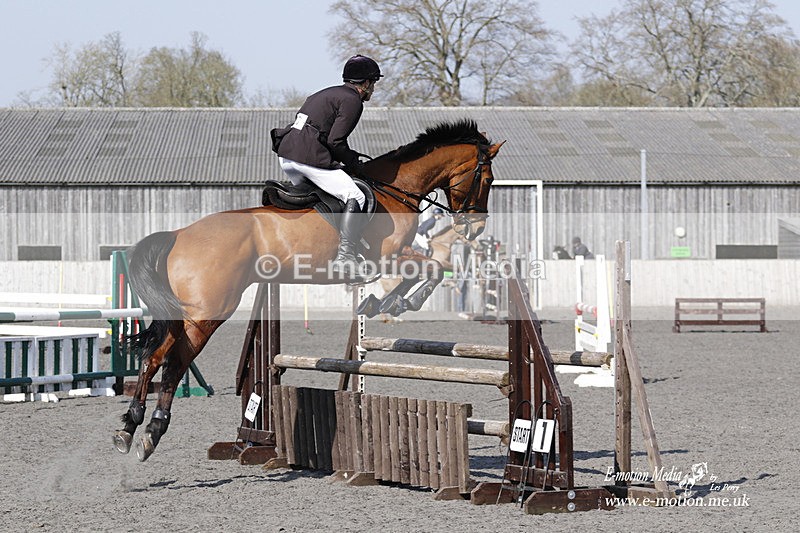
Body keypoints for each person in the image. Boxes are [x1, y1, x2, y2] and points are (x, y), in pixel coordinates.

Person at [270, 54, 383, 278]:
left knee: (327, 195)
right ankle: (345, 257)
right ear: (367, 84)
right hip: (307, 157)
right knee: (356, 195)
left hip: (288, 156)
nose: (373, 90)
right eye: (374, 84)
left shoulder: (324, 93)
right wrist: (353, 162)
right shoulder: (352, 100)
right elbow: (335, 142)